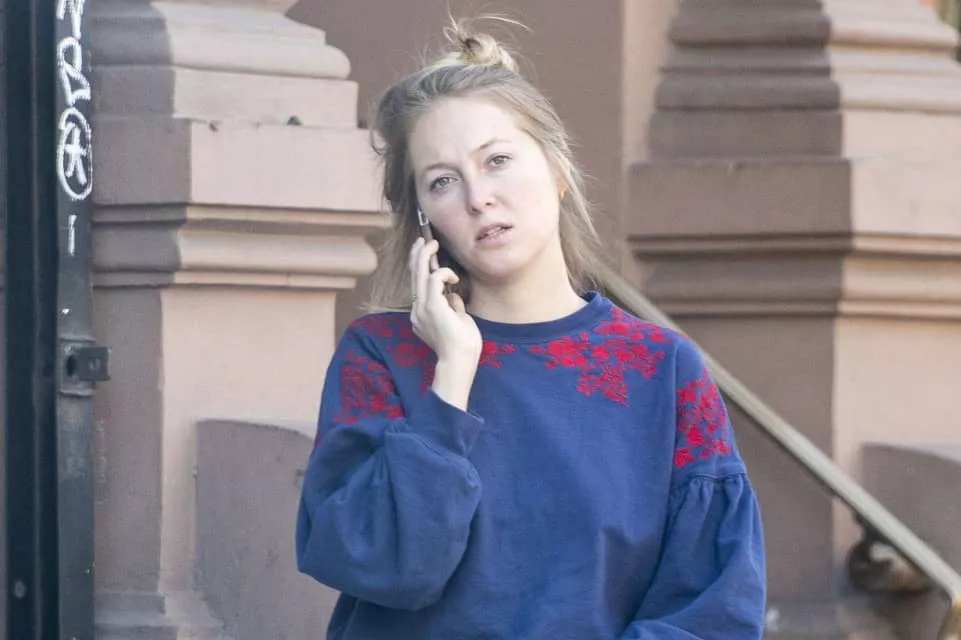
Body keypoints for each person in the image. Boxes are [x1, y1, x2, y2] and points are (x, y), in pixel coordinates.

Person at [296, 16, 766, 640]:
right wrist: (450, 380)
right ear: (424, 219)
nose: (478, 198)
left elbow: (711, 609)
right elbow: (384, 565)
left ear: (558, 170)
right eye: (442, 181)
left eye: (497, 161)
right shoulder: (381, 357)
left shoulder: (662, 369)